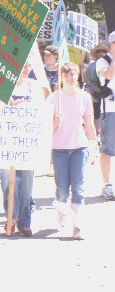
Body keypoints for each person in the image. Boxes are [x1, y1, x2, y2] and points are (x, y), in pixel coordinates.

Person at [47, 63, 96, 239]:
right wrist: (54, 123)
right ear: (61, 77)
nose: (69, 77)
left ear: (77, 75)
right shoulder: (53, 98)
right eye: (66, 74)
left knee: (78, 187)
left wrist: (93, 146)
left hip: (79, 147)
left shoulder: (84, 97)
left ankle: (77, 224)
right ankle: (61, 208)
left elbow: (89, 123)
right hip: (59, 148)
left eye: (72, 74)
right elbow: (46, 128)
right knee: (62, 190)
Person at [0, 62, 44, 237]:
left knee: (26, 183)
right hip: (6, 140)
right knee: (8, 181)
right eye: (23, 65)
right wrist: (7, 104)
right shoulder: (2, 85)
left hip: (27, 141)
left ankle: (24, 222)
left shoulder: (34, 87)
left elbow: (41, 111)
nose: (26, 70)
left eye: (29, 66)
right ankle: (11, 217)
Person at [95, 31, 115, 200]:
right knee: (107, 149)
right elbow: (108, 75)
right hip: (109, 110)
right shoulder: (103, 61)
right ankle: (107, 185)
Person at [86, 44, 108, 131]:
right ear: (96, 54)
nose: (101, 53)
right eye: (99, 51)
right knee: (96, 114)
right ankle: (97, 132)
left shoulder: (110, 64)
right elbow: (87, 78)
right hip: (95, 94)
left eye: (103, 51)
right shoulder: (91, 66)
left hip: (108, 94)